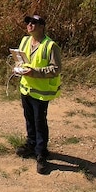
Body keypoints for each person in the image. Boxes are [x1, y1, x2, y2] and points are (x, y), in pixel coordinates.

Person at [14, 14, 62, 174]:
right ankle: (31, 144)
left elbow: (55, 69)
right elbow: (22, 59)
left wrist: (34, 72)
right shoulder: (25, 40)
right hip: (26, 88)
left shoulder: (50, 46)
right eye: (28, 22)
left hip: (41, 92)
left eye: (34, 23)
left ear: (42, 26)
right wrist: (19, 68)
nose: (29, 25)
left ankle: (41, 153)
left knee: (39, 122)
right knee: (29, 119)